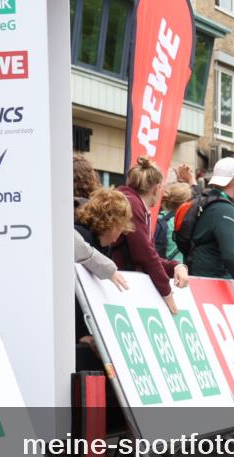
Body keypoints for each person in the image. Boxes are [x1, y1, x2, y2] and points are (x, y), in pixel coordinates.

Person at [111, 157, 189, 315]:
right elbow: (145, 254)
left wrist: (176, 266)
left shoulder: (134, 203)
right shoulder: (133, 204)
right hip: (113, 286)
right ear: (156, 188)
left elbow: (148, 254)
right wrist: (166, 292)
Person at [187, 157, 234, 318]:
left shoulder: (207, 201)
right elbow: (230, 256)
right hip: (210, 285)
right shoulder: (224, 209)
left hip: (201, 279)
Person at [74, 188, 136, 368]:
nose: (121, 233)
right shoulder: (81, 236)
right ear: (113, 223)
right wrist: (80, 334)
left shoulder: (102, 244)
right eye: (121, 226)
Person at [153, 182, 194, 263]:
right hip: (177, 267)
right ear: (186, 203)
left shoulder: (155, 217)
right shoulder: (183, 222)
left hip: (158, 266)